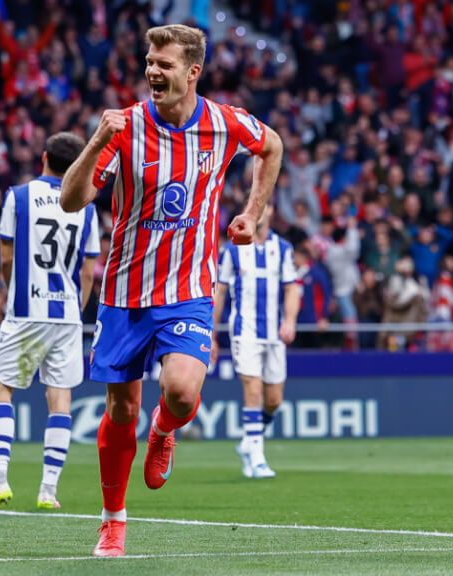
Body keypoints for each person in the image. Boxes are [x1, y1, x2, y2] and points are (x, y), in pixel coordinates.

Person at [60, 24, 283, 557]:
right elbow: (73, 200)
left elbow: (271, 146)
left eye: (164, 63)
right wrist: (95, 140)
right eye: (149, 61)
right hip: (123, 292)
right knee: (119, 413)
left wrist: (252, 214)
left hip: (188, 289)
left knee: (182, 390)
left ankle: (164, 431)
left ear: (192, 72)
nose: (152, 71)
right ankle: (113, 521)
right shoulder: (126, 126)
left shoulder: (226, 123)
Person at [0, 132, 99, 511]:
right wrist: (76, 308)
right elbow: (88, 271)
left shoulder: (19, 197)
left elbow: (6, 255)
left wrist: (11, 287)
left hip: (27, 308)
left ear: (44, 157)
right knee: (60, 396)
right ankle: (48, 490)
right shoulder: (87, 206)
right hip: (67, 315)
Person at [212, 204, 301, 479]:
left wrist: (289, 321)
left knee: (274, 400)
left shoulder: (283, 248)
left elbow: (291, 289)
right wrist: (212, 332)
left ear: (272, 212)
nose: (259, 213)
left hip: (273, 333)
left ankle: (248, 441)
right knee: (253, 390)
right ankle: (257, 457)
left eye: (264, 208)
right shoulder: (233, 249)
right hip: (244, 331)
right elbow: (220, 291)